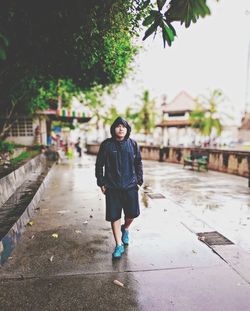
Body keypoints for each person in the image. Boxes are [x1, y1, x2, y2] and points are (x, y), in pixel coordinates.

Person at [95, 116, 143, 259]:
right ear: (113, 129)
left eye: (123, 126)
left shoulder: (133, 144)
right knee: (114, 216)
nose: (121, 128)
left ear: (127, 129)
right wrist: (101, 182)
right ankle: (118, 244)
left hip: (130, 186)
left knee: (132, 214)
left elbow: (138, 163)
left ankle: (126, 228)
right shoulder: (106, 145)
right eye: (118, 126)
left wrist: (139, 181)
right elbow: (99, 165)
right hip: (113, 187)